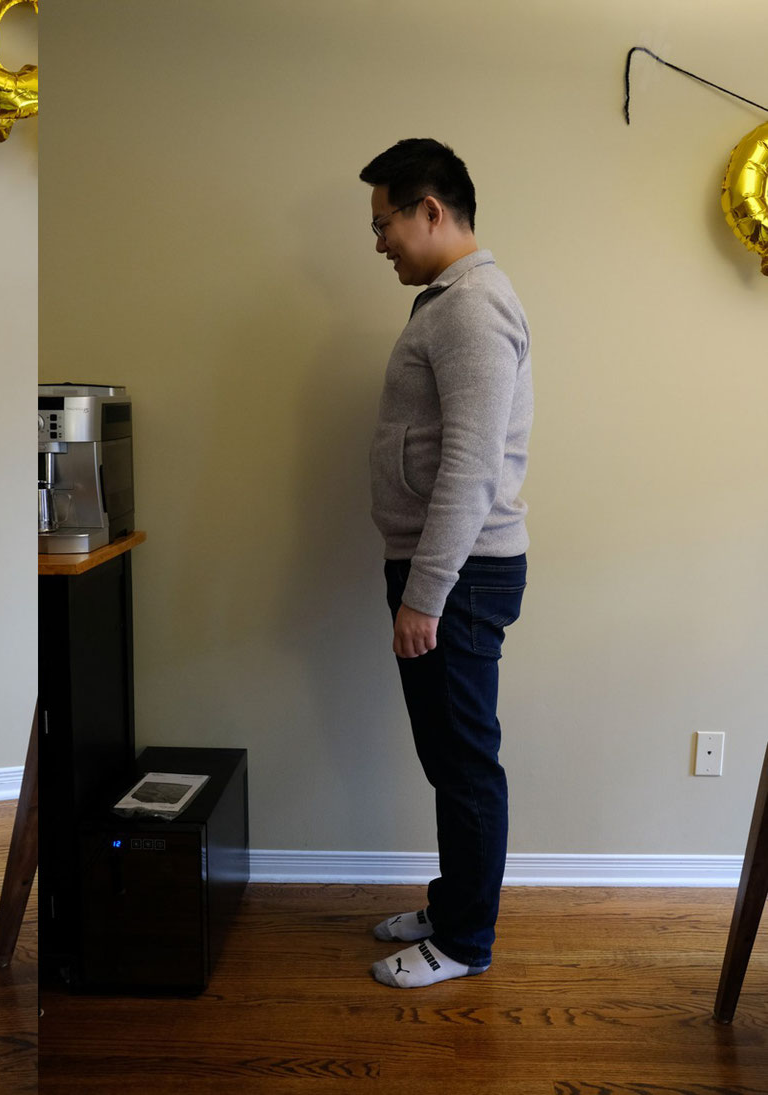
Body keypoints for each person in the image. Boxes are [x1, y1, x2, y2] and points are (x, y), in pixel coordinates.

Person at [359, 138, 533, 989]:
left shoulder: (471, 307)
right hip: (444, 572)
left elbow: (471, 466)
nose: (379, 239)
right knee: (449, 759)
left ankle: (465, 940)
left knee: (464, 764)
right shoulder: (448, 301)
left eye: (385, 220)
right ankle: (455, 899)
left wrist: (424, 595)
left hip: (456, 577)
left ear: (432, 210)